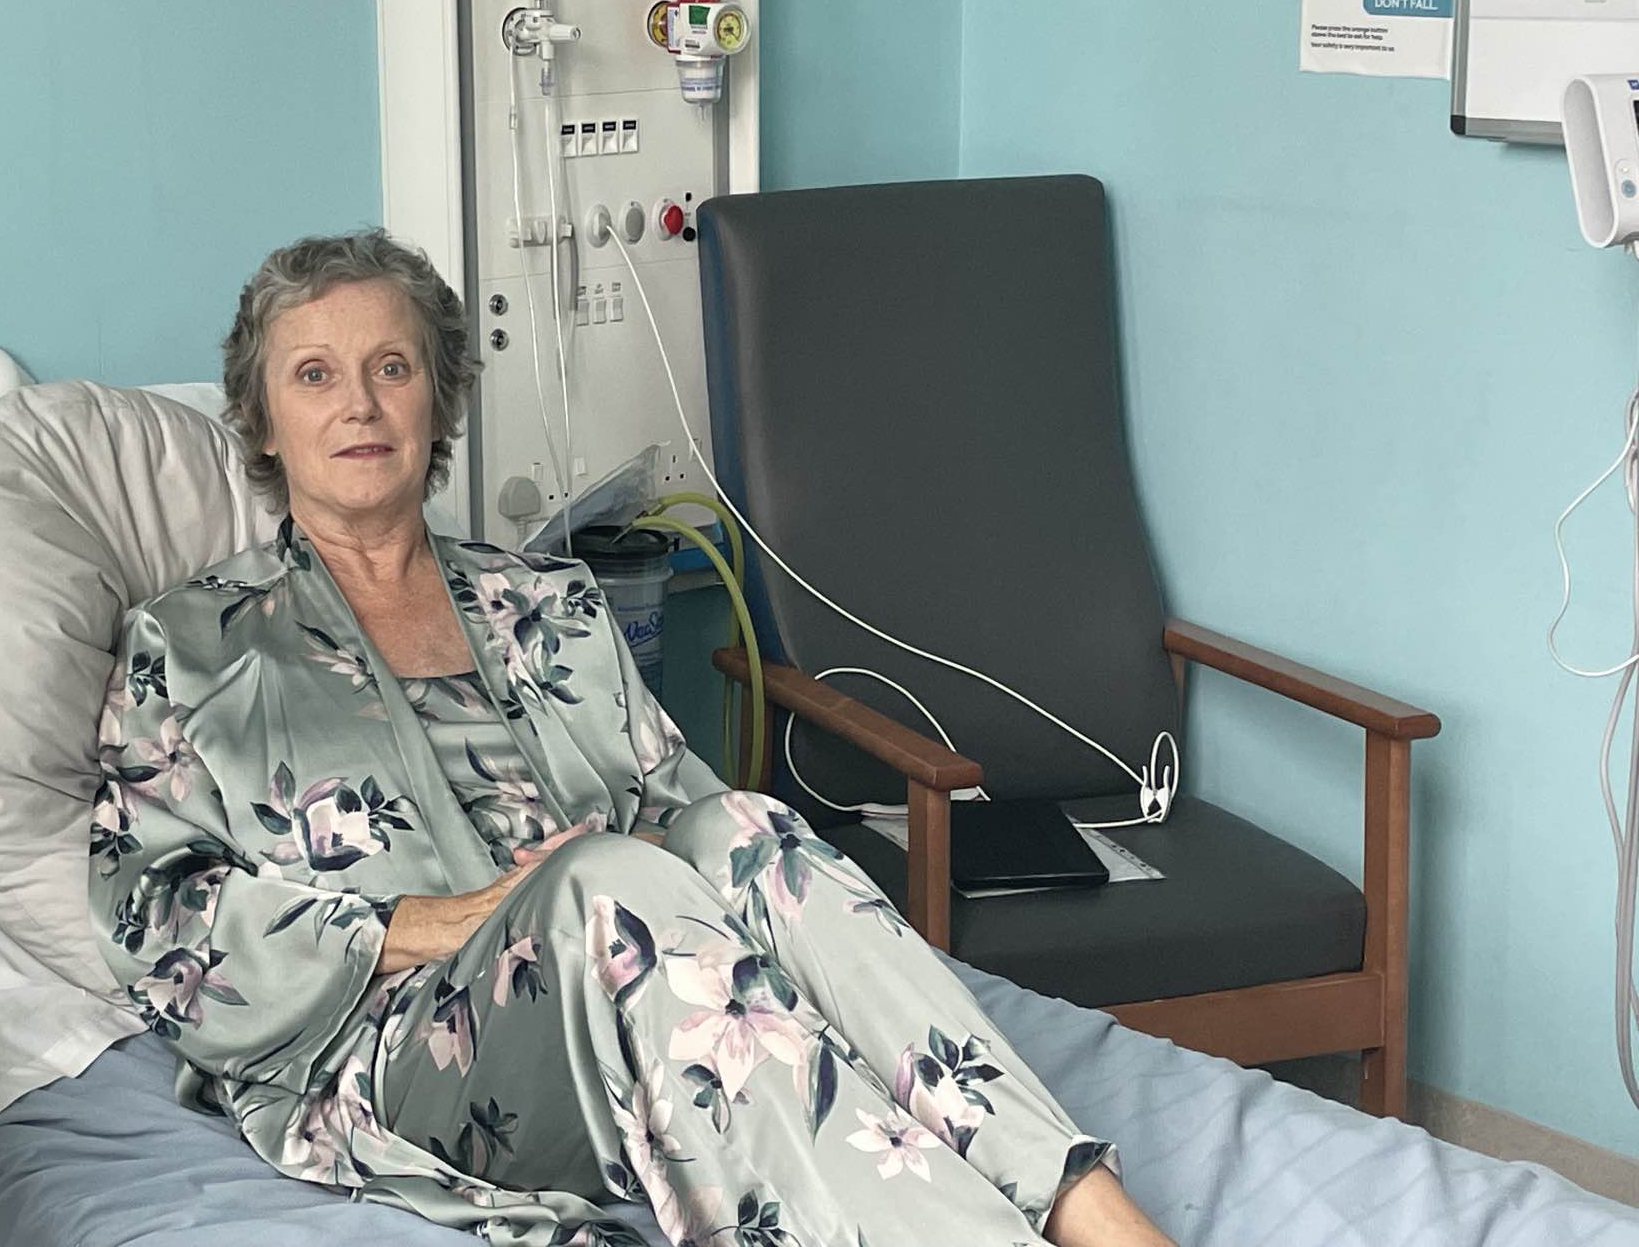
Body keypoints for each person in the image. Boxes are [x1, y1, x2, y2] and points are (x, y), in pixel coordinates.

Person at [87, 231, 1173, 1246]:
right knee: (609, 879)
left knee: (750, 826)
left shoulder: (545, 600)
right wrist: (428, 923)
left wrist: (642, 880)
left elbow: (673, 806)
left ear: (439, 399)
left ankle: (1097, 1213)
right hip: (405, 1047)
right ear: (265, 420)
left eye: (393, 367)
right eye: (314, 375)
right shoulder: (192, 646)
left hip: (617, 961)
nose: (359, 404)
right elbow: (155, 915)